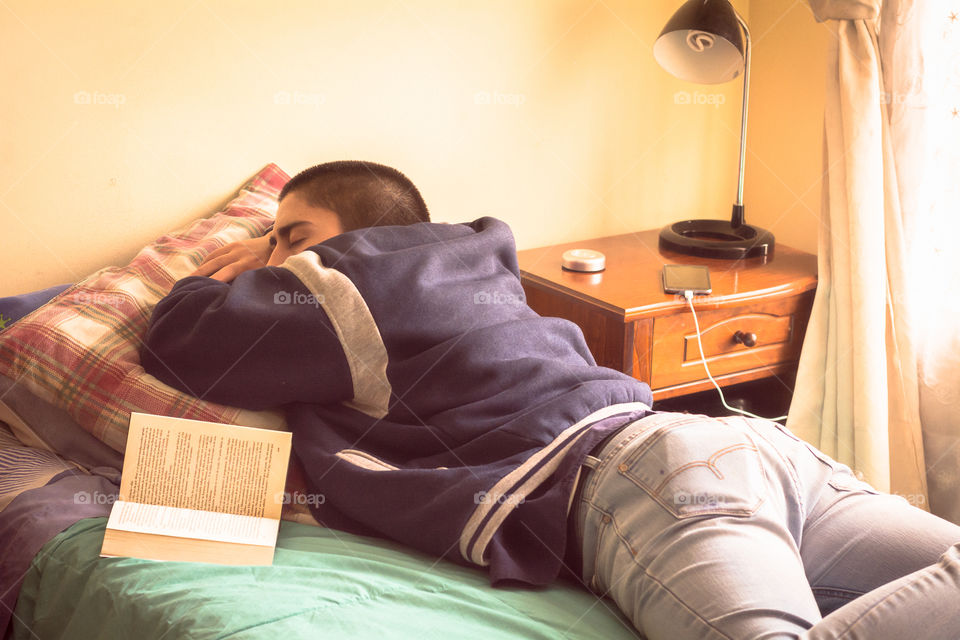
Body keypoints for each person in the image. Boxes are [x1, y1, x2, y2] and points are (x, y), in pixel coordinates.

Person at [141, 160, 960, 640]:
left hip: (646, 485)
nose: (276, 251)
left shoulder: (341, 283)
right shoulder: (468, 261)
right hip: (737, 449)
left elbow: (178, 342)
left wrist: (234, 262)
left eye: (294, 232)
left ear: (355, 234)